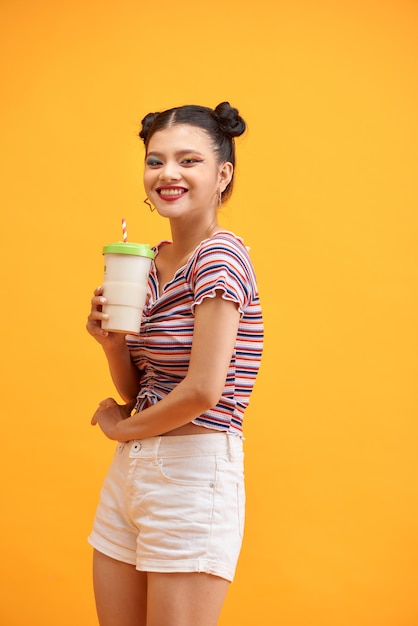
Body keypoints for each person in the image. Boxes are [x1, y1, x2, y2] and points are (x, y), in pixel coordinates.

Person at [86, 101, 264, 626]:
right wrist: (112, 345)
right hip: (134, 473)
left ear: (222, 174)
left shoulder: (220, 256)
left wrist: (120, 430)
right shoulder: (149, 261)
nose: (167, 174)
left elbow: (202, 392)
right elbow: (148, 384)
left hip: (193, 474)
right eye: (155, 160)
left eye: (188, 161)